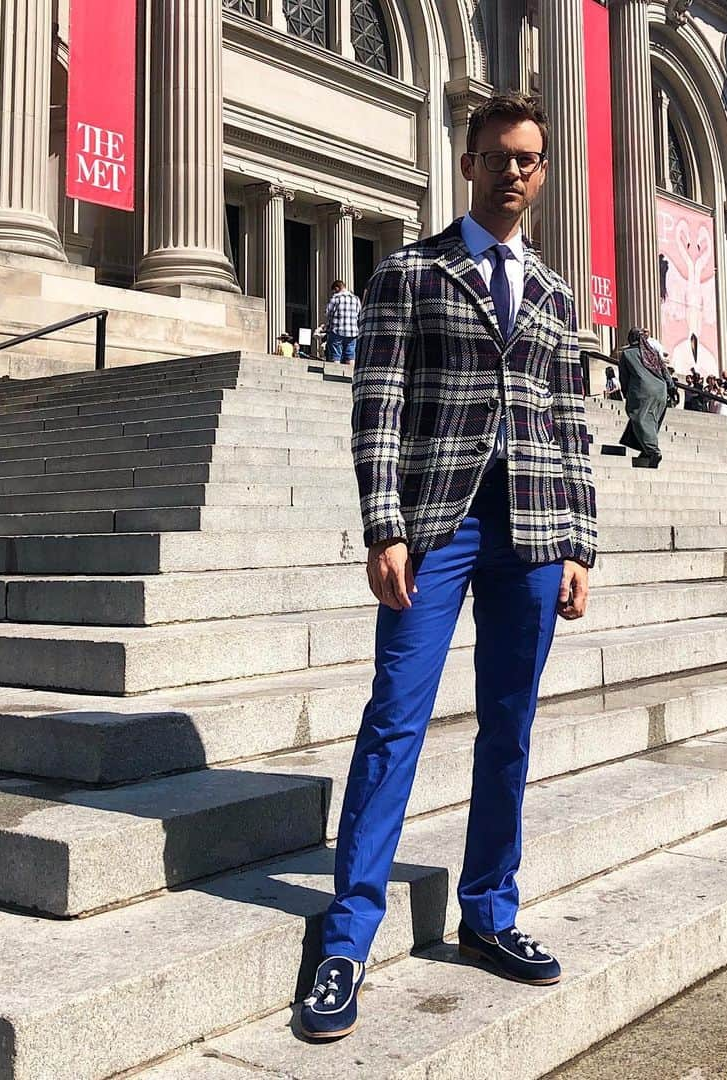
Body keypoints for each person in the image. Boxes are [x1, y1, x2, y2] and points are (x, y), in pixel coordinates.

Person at [301, 91, 597, 1041]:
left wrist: (579, 543)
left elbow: (572, 426)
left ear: (544, 172)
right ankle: (346, 939)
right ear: (469, 162)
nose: (517, 170)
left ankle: (489, 912)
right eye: (501, 155)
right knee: (395, 722)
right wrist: (384, 526)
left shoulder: (554, 293)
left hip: (533, 537)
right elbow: (376, 407)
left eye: (532, 158)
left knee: (508, 728)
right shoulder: (412, 272)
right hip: (438, 526)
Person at [616, 327, 671, 468]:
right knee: (650, 421)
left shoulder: (627, 354)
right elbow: (665, 371)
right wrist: (671, 387)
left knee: (639, 418)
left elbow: (624, 378)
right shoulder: (652, 352)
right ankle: (645, 451)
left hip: (642, 391)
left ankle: (653, 451)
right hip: (661, 390)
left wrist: (625, 393)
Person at [324, 279, 362, 364]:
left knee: (335, 356)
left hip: (337, 330)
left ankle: (336, 374)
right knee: (351, 355)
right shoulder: (356, 299)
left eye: (334, 291)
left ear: (337, 288)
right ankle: (350, 375)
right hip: (352, 332)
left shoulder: (335, 298)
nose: (333, 293)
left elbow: (327, 313)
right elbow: (359, 313)